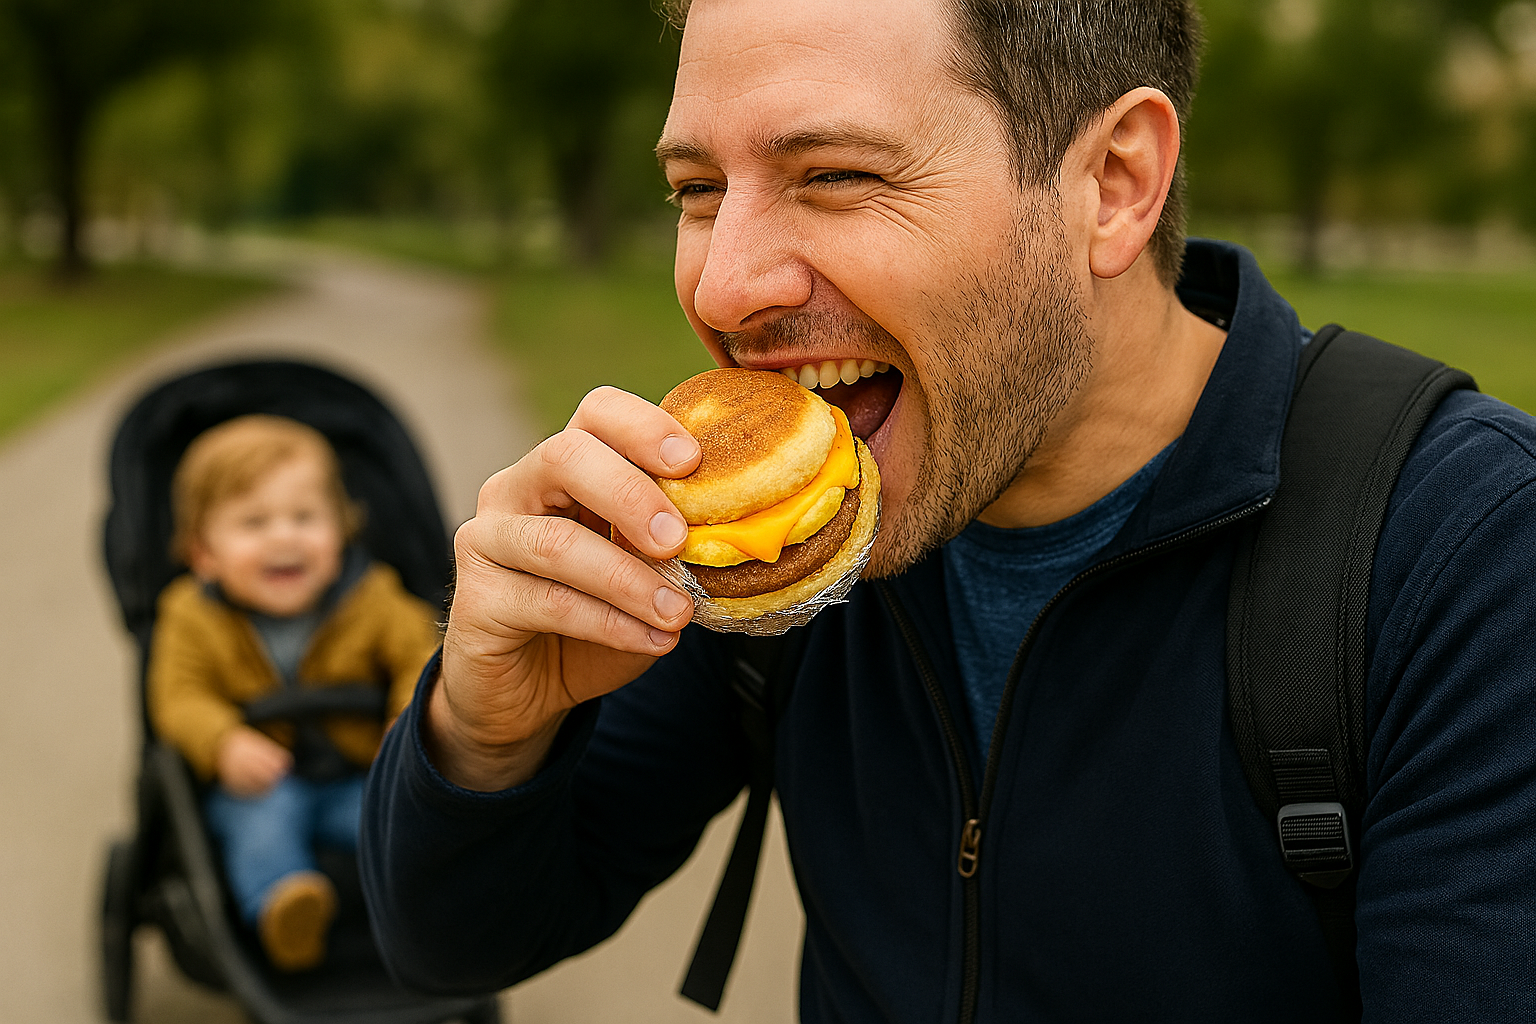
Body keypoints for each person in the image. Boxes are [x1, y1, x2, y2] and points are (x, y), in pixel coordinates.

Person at [359, 0, 1536, 1019]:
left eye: (837, 176)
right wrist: (486, 730)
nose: (721, 287)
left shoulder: (1466, 553)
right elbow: (454, 946)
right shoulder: (773, 544)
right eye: (698, 189)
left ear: (1114, 184)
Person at [148, 415, 441, 971]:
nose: (284, 537)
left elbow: (424, 658)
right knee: (260, 824)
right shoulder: (189, 616)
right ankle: (285, 906)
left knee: (397, 821)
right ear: (203, 552)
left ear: (342, 529)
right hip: (261, 778)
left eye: (305, 517)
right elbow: (178, 697)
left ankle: (424, 913)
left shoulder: (373, 597)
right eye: (254, 523)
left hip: (359, 771)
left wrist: (405, 723)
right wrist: (224, 742)